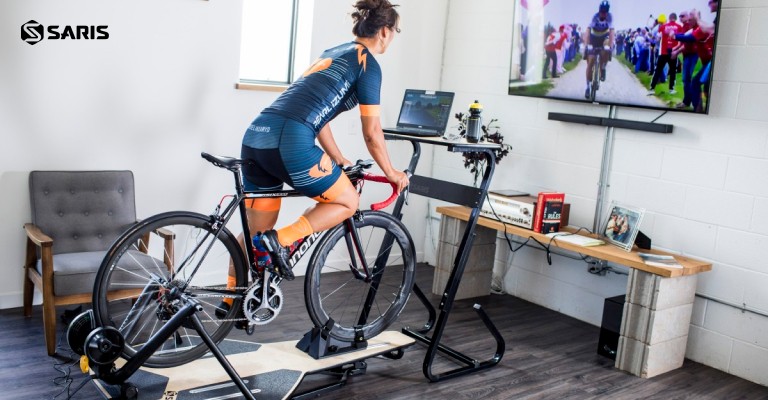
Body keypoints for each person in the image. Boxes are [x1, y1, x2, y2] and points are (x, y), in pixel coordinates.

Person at [221, 0, 409, 314]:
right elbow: (372, 130)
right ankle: (279, 241)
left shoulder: (333, 52)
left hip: (257, 135)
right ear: (386, 32)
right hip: (289, 139)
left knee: (254, 229)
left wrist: (338, 157)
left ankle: (231, 301)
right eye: (395, 32)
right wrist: (391, 171)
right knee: (348, 202)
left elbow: (316, 115)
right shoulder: (368, 65)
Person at [584, 0, 614, 99]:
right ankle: (587, 86)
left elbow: (611, 32)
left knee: (606, 47)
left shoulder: (610, 17)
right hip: (594, 37)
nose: (603, 14)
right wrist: (586, 44)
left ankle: (603, 67)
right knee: (591, 61)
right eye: (602, 12)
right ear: (599, 11)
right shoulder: (594, 17)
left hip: (604, 37)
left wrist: (610, 45)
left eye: (605, 12)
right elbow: (588, 31)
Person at [649, 13, 682, 95]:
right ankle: (671, 89)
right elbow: (681, 39)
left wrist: (652, 37)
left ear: (669, 18)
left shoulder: (663, 26)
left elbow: (657, 38)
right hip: (673, 52)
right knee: (673, 71)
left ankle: (652, 88)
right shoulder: (679, 27)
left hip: (663, 51)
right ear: (675, 18)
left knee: (658, 70)